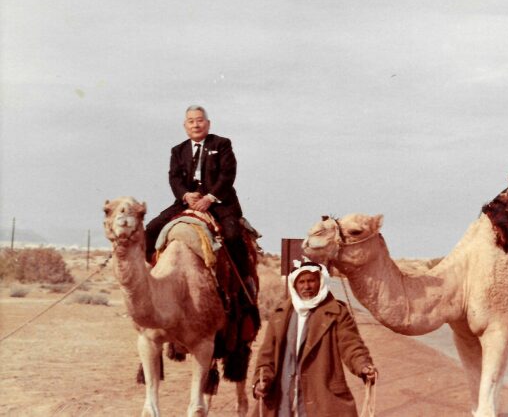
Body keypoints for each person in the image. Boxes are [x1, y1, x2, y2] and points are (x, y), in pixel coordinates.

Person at [251, 260, 377, 417]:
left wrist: (363, 366)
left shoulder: (337, 312)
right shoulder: (280, 315)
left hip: (322, 396)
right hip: (283, 396)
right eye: (301, 282)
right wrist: (261, 380)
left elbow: (351, 345)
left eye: (311, 281)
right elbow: (266, 355)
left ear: (320, 282)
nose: (306, 287)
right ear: (294, 285)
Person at [145, 105, 251, 284]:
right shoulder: (178, 150)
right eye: (191, 121)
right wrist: (185, 195)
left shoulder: (222, 144)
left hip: (220, 202)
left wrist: (209, 198)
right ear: (185, 126)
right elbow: (174, 177)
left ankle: (244, 281)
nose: (196, 125)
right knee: (151, 228)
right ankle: (152, 276)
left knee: (232, 236)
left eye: (200, 120)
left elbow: (227, 174)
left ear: (208, 124)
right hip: (187, 202)